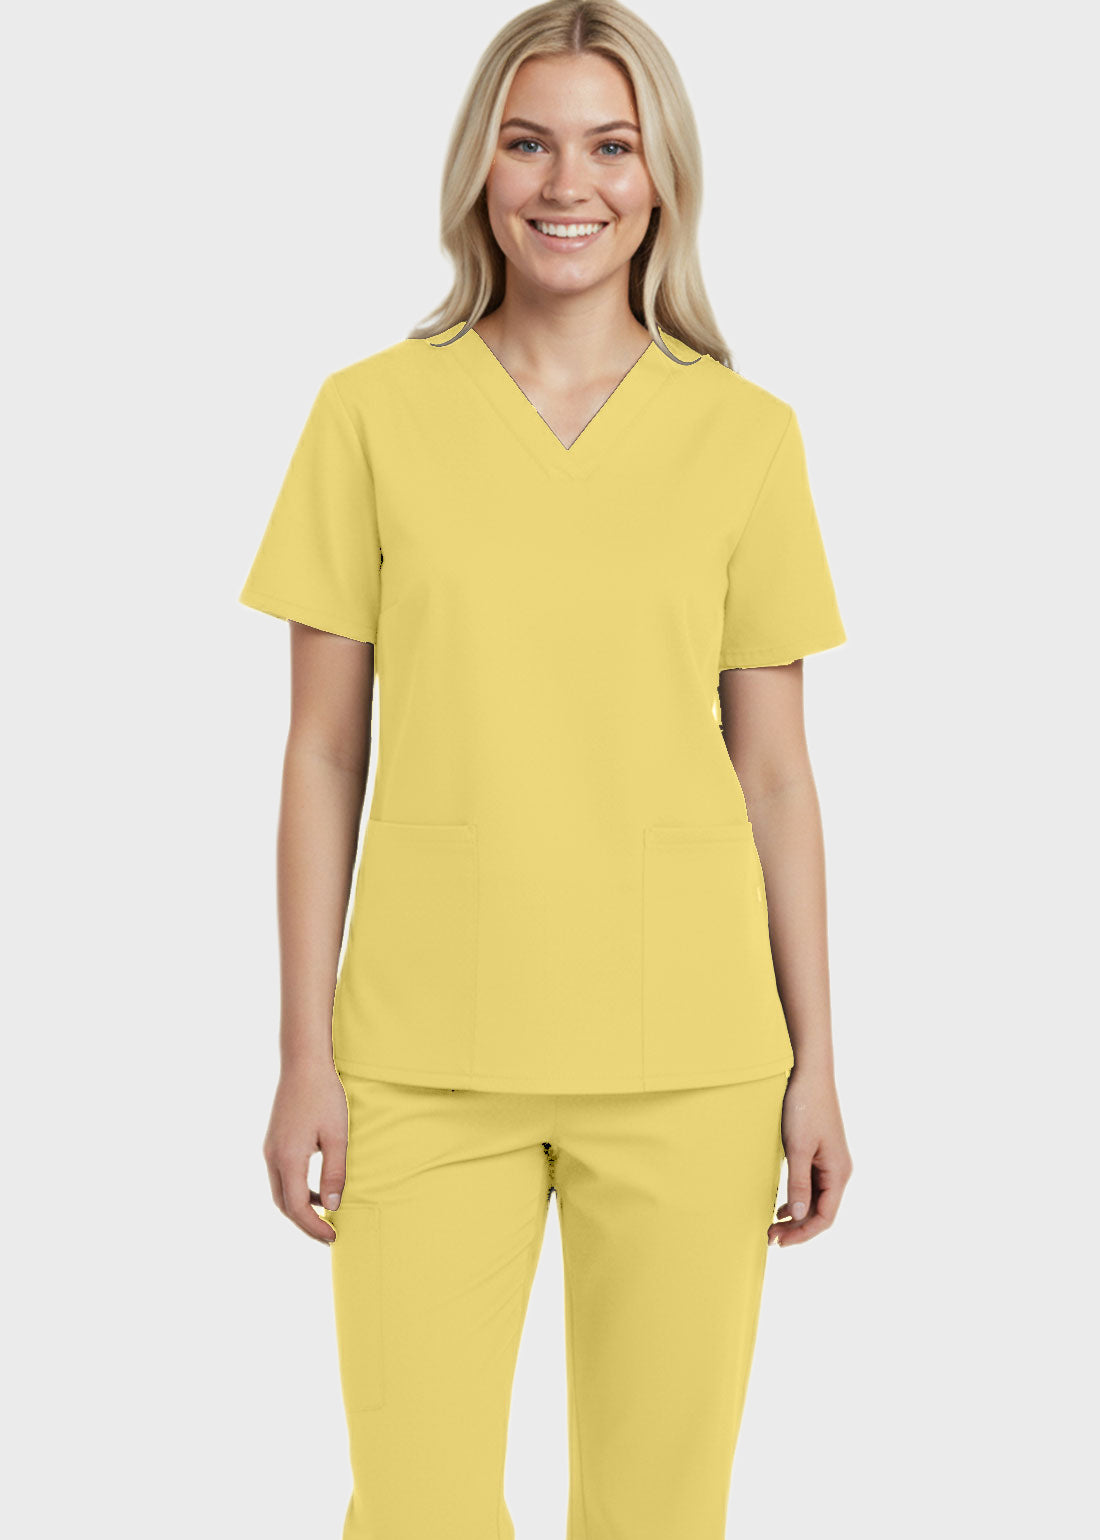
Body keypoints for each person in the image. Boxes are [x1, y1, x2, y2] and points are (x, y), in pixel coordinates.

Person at [238, 3, 854, 1535]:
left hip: (692, 1054)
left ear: (662, 178)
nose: (566, 183)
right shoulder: (371, 415)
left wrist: (818, 1063)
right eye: (528, 142)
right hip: (423, 1056)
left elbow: (777, 774)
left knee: (659, 1512)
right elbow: (322, 750)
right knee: (418, 1508)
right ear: (479, 169)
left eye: (609, 145)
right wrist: (304, 1051)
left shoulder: (746, 436)